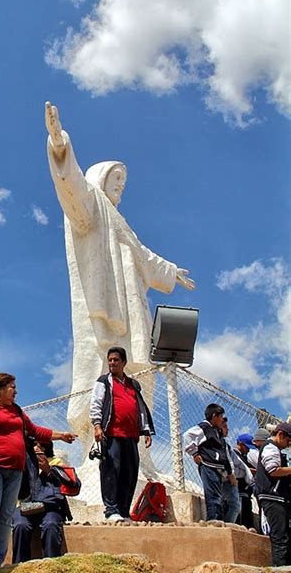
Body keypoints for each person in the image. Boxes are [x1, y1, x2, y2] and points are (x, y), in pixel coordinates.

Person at [45, 101, 195, 438]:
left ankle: (141, 450)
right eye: (116, 178)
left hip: (133, 309)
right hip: (108, 309)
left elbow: (144, 257)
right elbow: (72, 188)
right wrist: (59, 146)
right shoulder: (93, 205)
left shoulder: (122, 225)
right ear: (100, 178)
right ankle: (98, 441)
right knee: (105, 365)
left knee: (140, 370)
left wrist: (171, 272)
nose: (120, 186)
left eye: (123, 182)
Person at [0, 373, 77, 573]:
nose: (15, 391)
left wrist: (61, 435)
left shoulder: (16, 410)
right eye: (12, 387)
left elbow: (36, 431)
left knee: (5, 516)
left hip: (15, 471)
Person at [89, 347, 154, 521]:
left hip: (131, 437)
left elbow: (140, 408)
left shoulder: (133, 384)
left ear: (124, 362)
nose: (112, 363)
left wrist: (146, 430)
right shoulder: (104, 381)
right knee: (111, 471)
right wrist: (97, 425)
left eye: (116, 360)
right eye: (110, 360)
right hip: (112, 434)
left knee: (129, 473)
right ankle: (111, 510)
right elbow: (96, 403)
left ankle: (124, 512)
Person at [12, 440, 80, 563]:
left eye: (41, 445)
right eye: (34, 445)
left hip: (50, 508)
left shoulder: (56, 462)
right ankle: (18, 565)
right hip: (26, 507)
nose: (37, 448)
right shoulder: (23, 462)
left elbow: (72, 484)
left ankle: (51, 564)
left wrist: (48, 470)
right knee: (20, 525)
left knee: (51, 525)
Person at [184, 403, 231, 520]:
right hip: (208, 466)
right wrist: (194, 453)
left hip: (216, 467)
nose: (222, 420)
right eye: (221, 417)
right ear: (214, 416)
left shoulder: (215, 431)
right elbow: (187, 435)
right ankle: (213, 521)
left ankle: (217, 521)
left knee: (218, 498)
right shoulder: (204, 428)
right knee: (213, 498)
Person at [255, 422, 291, 566]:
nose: (288, 445)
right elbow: (273, 470)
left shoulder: (275, 449)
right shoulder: (270, 447)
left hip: (279, 498)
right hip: (272, 498)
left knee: (285, 538)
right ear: (280, 435)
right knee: (280, 539)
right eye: (288, 441)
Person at [234, 433, 257, 528]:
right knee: (241, 523)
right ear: (241, 444)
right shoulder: (234, 454)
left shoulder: (243, 456)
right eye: (247, 447)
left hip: (245, 494)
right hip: (239, 493)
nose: (248, 450)